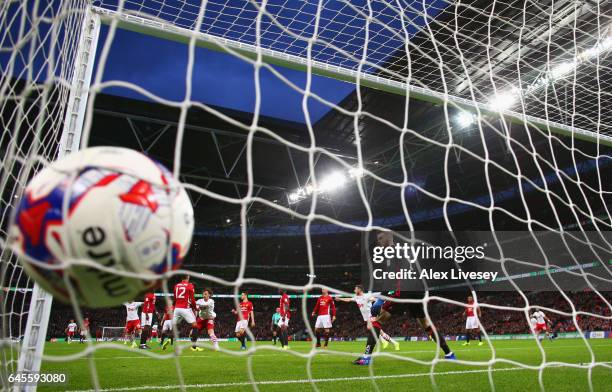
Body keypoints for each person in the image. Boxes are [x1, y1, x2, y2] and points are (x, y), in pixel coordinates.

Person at [353, 231, 455, 365]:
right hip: (417, 290)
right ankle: (449, 353)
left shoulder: (392, 251)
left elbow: (392, 276)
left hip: (404, 289)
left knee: (375, 320)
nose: (378, 241)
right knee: (425, 324)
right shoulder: (400, 251)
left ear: (389, 238)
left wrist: (381, 298)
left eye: (381, 238)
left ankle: (366, 357)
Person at [336, 284, 399, 350]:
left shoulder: (366, 296)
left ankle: (392, 342)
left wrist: (379, 303)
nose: (354, 290)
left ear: (359, 290)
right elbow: (348, 299)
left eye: (355, 289)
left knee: (378, 331)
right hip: (367, 318)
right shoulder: (357, 297)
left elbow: (374, 299)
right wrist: (340, 299)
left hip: (371, 317)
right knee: (377, 331)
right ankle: (386, 342)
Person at [172, 275, 203, 352]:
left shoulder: (176, 285)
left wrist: (174, 307)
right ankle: (194, 347)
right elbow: (192, 300)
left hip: (176, 308)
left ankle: (169, 339)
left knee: (174, 326)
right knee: (195, 326)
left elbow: (175, 298)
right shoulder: (190, 286)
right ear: (188, 278)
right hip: (185, 308)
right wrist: (195, 308)